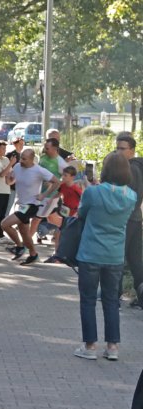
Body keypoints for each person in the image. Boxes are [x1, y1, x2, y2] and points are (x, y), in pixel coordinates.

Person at [73, 152, 136, 361]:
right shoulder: (131, 197)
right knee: (111, 301)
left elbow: (81, 214)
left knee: (88, 299)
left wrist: (86, 191)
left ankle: (90, 346)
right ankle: (112, 346)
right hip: (115, 254)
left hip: (90, 252)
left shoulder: (93, 193)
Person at [0, 149, 59, 265]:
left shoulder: (38, 170)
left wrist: (44, 195)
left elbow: (57, 182)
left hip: (31, 205)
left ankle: (20, 247)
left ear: (32, 159)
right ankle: (33, 255)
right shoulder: (17, 167)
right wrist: (8, 177)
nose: (21, 161)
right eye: (21, 157)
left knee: (4, 224)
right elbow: (10, 182)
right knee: (24, 233)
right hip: (21, 204)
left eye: (24, 159)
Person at [116, 133, 143, 303]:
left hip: (128, 219)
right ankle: (141, 296)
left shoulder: (131, 168)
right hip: (135, 218)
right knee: (134, 259)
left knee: (118, 256)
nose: (118, 151)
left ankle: (114, 293)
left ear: (131, 151)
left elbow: (128, 197)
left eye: (122, 148)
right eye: (116, 148)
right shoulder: (135, 166)